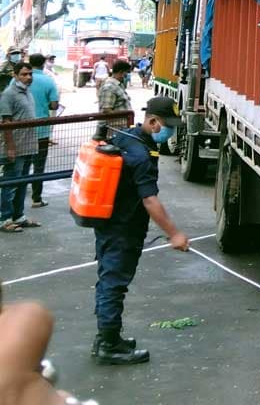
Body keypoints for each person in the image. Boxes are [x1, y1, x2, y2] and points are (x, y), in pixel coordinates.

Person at [91, 96, 189, 365]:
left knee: (108, 279)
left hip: (110, 224)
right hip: (122, 229)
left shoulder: (130, 137)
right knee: (114, 284)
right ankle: (109, 346)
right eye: (166, 125)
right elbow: (150, 200)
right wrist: (174, 233)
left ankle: (106, 337)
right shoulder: (141, 156)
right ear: (153, 121)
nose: (168, 131)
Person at [1, 62, 42, 233]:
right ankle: (4, 218)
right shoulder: (8, 95)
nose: (28, 77)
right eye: (24, 74)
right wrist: (10, 148)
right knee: (10, 183)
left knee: (23, 183)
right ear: (16, 75)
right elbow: (6, 123)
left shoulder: (27, 93)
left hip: (28, 146)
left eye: (30, 74)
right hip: (15, 147)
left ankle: (19, 216)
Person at [27, 53, 59, 209]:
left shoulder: (19, 79)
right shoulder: (48, 80)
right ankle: (36, 198)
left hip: (22, 130)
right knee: (39, 166)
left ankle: (15, 200)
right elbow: (54, 105)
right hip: (41, 131)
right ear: (43, 63)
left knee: (22, 165)